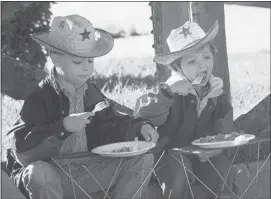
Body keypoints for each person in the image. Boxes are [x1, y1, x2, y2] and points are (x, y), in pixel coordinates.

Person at [5, 14, 159, 199]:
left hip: (86, 167)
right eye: (77, 62)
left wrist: (140, 125)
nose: (86, 68)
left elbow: (112, 118)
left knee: (142, 159)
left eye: (90, 61)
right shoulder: (40, 97)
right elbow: (23, 152)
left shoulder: (89, 91)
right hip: (55, 171)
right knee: (39, 173)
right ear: (55, 58)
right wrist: (62, 128)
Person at [134, 20, 237, 199]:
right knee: (179, 169)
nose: (202, 65)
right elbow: (143, 113)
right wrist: (168, 92)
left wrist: (217, 146)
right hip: (169, 156)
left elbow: (224, 126)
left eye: (207, 57)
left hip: (201, 154)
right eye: (192, 61)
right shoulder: (170, 90)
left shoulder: (215, 91)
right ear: (177, 67)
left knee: (222, 166)